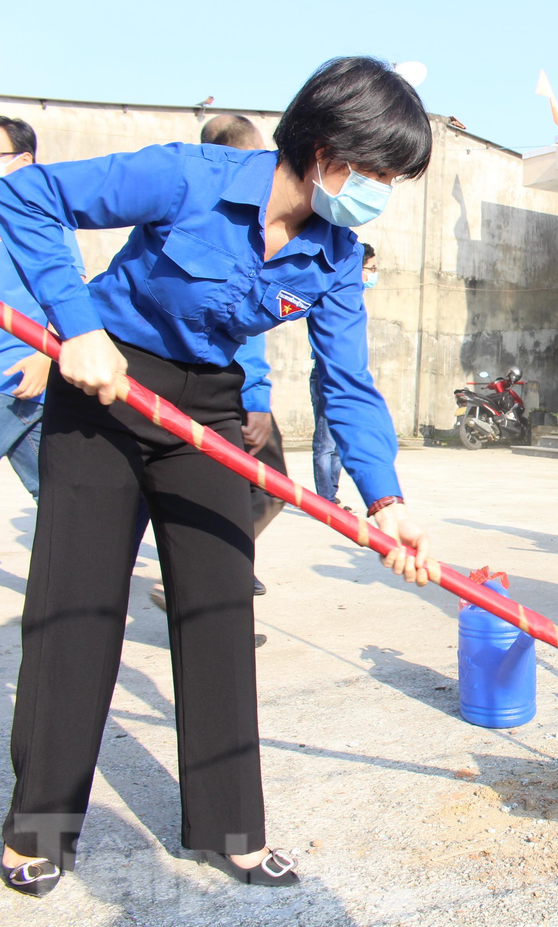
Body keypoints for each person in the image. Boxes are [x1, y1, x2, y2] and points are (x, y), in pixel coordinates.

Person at [0, 56, 434, 896]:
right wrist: (77, 326)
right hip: (106, 387)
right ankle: (40, 826)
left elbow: (345, 381)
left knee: (220, 607)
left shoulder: (336, 255)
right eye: (378, 170)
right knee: (75, 606)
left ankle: (230, 827)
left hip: (206, 410)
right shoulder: (186, 175)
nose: (381, 189)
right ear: (325, 149)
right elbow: (26, 196)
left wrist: (388, 501)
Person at [147, 115, 284, 611]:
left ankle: (212, 572)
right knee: (267, 487)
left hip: (180, 382)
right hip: (224, 392)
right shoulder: (241, 216)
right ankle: (208, 574)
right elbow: (232, 327)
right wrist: (256, 397)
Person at [0, 117, 85, 500]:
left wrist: (43, 355)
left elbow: (76, 291)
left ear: (24, 160)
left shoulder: (39, 216)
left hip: (21, 372)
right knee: (55, 497)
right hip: (19, 385)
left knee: (58, 497)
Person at [310, 241, 375, 505]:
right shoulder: (335, 296)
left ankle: (331, 495)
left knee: (337, 442)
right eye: (371, 268)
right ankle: (325, 499)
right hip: (329, 375)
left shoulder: (354, 300)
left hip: (348, 377)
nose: (373, 274)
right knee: (326, 442)